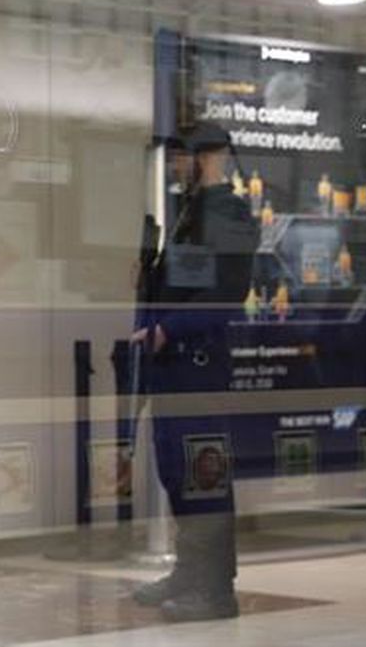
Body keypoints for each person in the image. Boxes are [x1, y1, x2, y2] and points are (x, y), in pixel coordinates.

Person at [130, 122, 259, 622]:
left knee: (203, 471)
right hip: (175, 364)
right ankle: (190, 571)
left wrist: (170, 329)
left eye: (182, 157)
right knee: (176, 468)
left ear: (209, 157)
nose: (174, 166)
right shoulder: (192, 211)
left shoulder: (225, 212)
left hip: (198, 363)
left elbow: (225, 294)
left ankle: (215, 589)